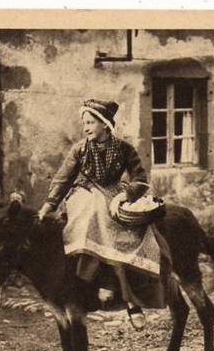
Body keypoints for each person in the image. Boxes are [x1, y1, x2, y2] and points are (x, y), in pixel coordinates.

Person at [37, 99, 164, 329]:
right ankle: (92, 287)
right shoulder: (80, 149)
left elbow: (140, 179)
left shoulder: (124, 148)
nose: (85, 128)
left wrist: (124, 196)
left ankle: (128, 295)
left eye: (90, 122)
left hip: (115, 194)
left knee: (130, 233)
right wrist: (49, 205)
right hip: (85, 194)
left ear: (105, 124)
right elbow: (63, 180)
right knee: (95, 214)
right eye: (84, 123)